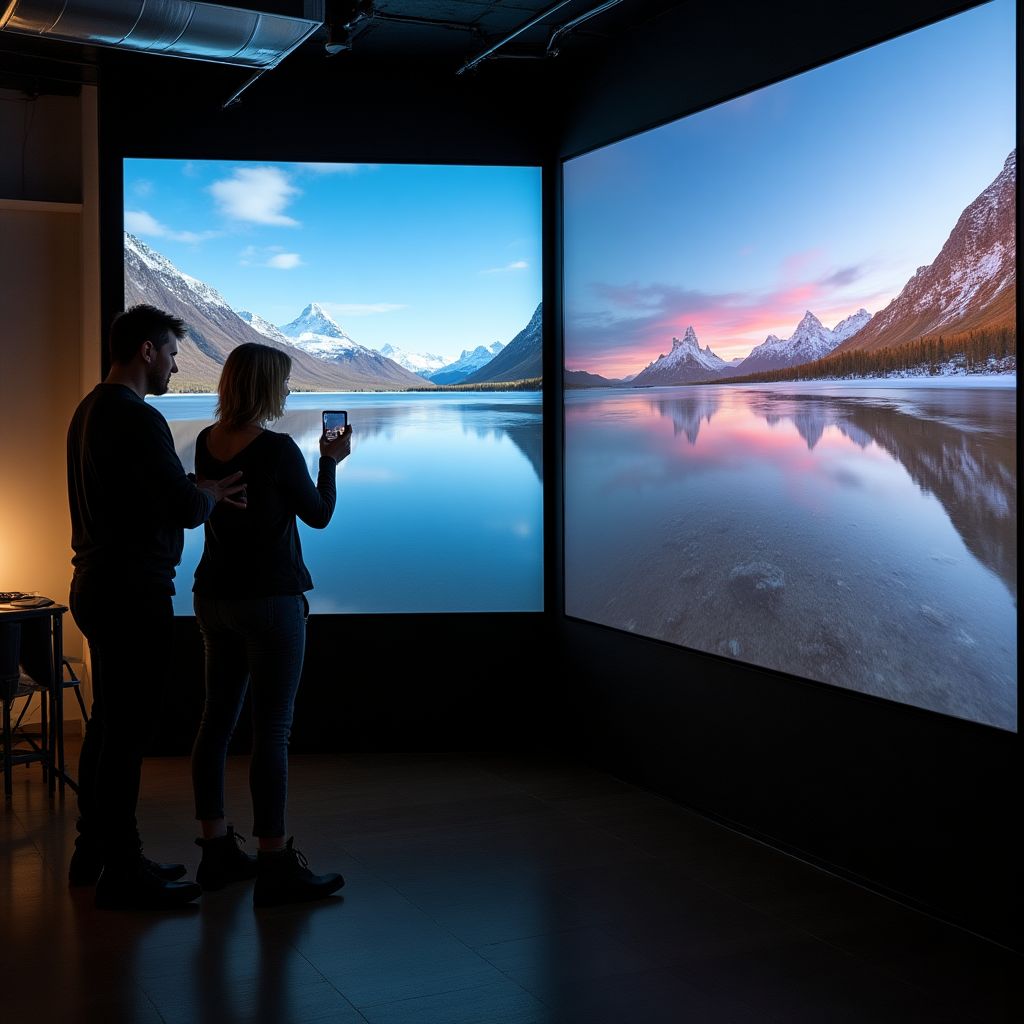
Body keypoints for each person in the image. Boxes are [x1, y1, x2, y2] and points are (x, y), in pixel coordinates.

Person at [67, 304, 246, 910]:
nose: (175, 364)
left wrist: (189, 491)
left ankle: (94, 851)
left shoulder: (89, 409)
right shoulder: (139, 420)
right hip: (132, 591)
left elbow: (136, 494)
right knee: (126, 735)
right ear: (146, 351)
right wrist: (213, 492)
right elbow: (185, 508)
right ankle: (123, 870)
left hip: (94, 584)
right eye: (171, 353)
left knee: (107, 727)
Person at [189, 342, 351, 907]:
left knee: (215, 721)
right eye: (282, 382)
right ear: (264, 387)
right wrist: (331, 460)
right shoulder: (280, 450)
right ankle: (274, 862)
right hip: (271, 603)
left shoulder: (205, 446)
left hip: (213, 597)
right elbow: (321, 515)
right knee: (271, 729)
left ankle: (214, 850)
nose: (287, 391)